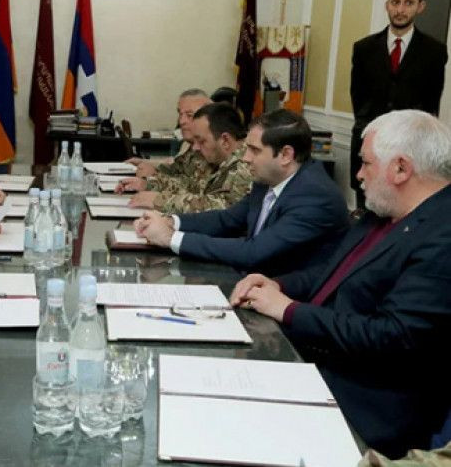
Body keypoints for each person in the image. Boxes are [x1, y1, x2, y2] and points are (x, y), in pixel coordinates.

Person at [230, 110, 451, 458]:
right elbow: (332, 273)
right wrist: (276, 284)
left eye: (366, 163)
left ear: (401, 169)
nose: (358, 175)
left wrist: (289, 311)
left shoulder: (442, 234)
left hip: (365, 405)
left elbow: (391, 336)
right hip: (316, 361)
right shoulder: (383, 211)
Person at [134, 110, 349, 276]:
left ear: (285, 155)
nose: (245, 158)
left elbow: (253, 252)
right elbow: (227, 219)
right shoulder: (268, 179)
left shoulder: (315, 196)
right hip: (252, 284)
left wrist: (171, 238)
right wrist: (171, 221)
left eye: (254, 150)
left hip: (290, 301)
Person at [350, 0, 447, 208]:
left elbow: (430, 104)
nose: (400, 9)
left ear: (420, 7)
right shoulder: (363, 48)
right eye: (395, 2)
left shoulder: (434, 51)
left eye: (408, 3)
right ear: (387, 5)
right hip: (369, 146)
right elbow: (358, 97)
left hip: (409, 151)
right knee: (366, 212)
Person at [125, 101, 253, 213]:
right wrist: (149, 184)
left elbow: (222, 209)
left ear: (225, 140)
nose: (195, 147)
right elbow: (191, 186)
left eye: (201, 141)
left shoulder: (247, 165)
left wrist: (161, 200)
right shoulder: (217, 158)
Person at [117, 88, 211, 188]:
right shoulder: (187, 144)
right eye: (180, 114)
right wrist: (144, 162)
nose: (181, 121)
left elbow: (198, 190)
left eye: (189, 115)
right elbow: (175, 167)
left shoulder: (212, 148)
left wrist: (153, 180)